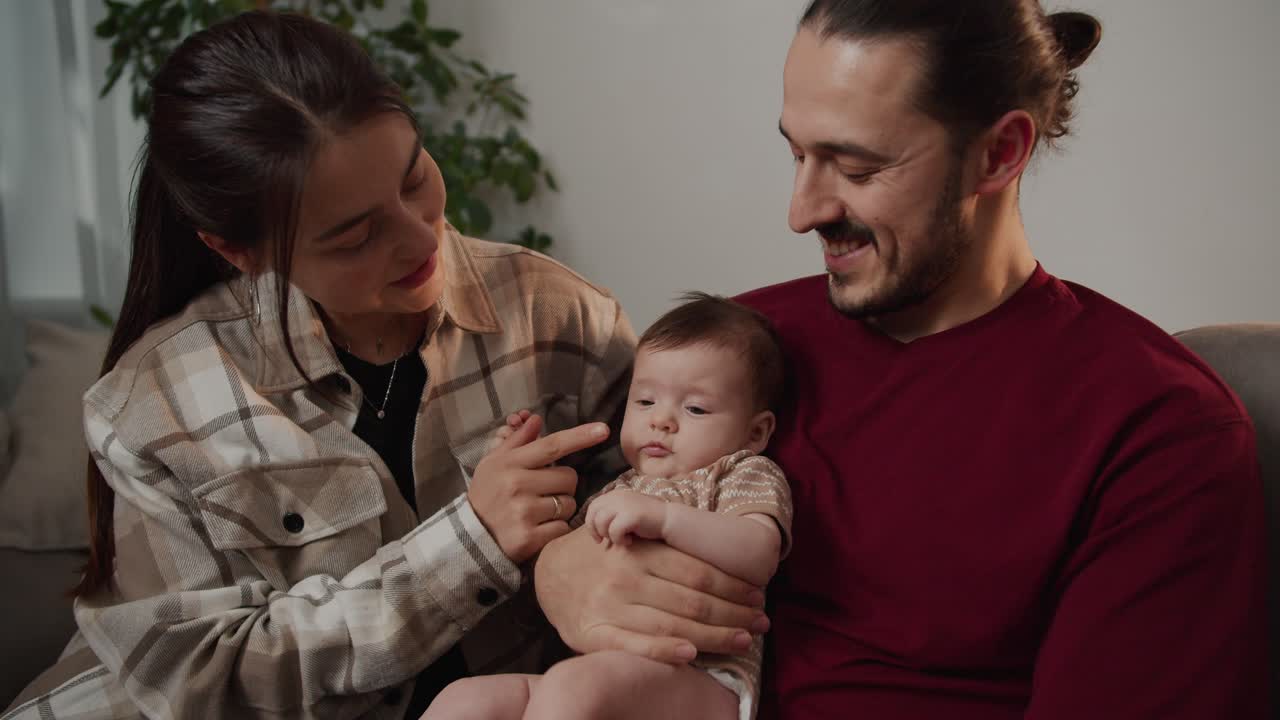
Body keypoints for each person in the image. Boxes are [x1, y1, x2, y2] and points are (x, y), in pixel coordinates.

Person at [533, 1, 1269, 718]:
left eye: (854, 167)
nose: (801, 211)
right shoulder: (739, 350)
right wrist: (557, 574)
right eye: (796, 153)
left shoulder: (1158, 427)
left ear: (999, 153)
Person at [2, 11, 636, 720]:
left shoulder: (561, 319)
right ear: (241, 251)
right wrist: (471, 546)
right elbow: (204, 684)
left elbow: (688, 501)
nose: (418, 235)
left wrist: (593, 555)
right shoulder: (154, 408)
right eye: (357, 235)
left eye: (415, 176)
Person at [423, 293, 792, 720]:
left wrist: (667, 519)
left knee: (571, 687)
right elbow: (559, 575)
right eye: (645, 401)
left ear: (755, 432)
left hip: (702, 679)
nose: (661, 420)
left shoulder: (739, 471)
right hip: (601, 673)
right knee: (465, 699)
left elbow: (760, 550)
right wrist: (523, 468)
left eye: (694, 408)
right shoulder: (618, 489)